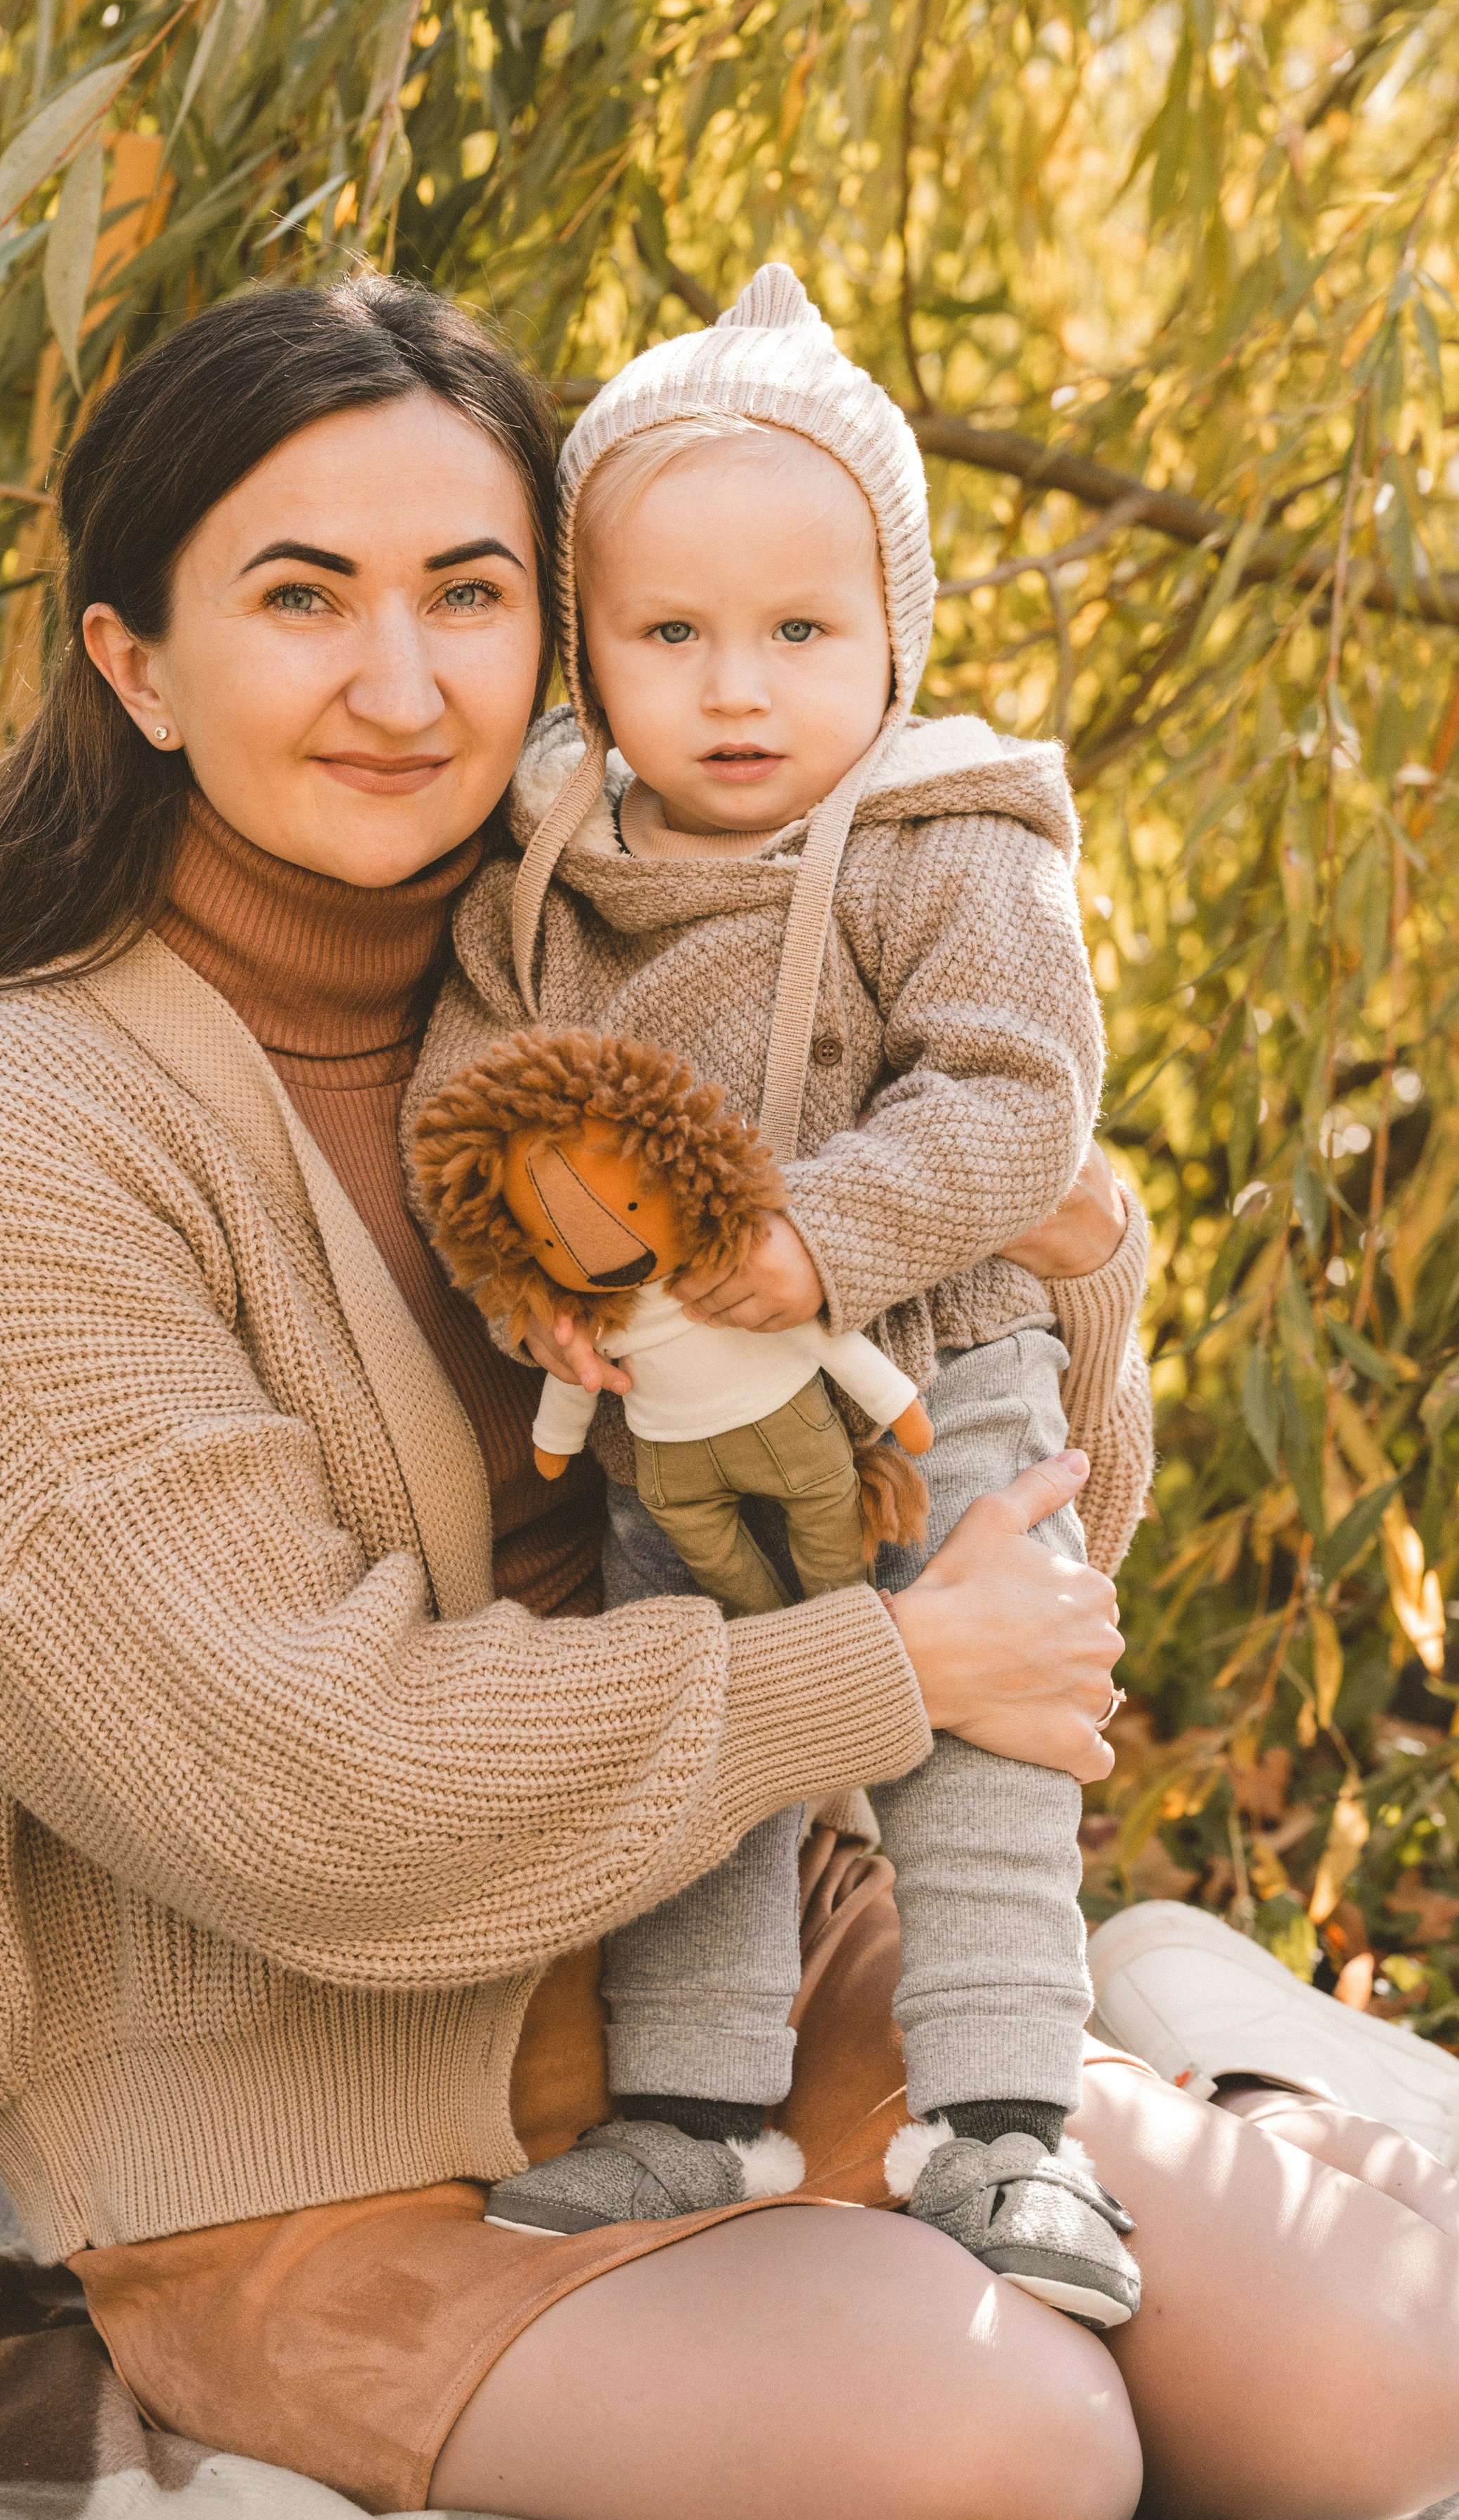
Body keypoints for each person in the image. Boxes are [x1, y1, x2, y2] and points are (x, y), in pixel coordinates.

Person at [0, 273, 1459, 2520]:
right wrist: (887, 1673)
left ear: (555, 637)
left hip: (754, 1958)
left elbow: (989, 1547)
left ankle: (1194, 2067)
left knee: (1384, 2395)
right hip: (317, 2127)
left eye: (471, 595)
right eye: (303, 597)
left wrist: (1068, 1272)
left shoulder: (655, 960)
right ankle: (1164, 2078)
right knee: (1000, 2448)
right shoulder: (20, 1122)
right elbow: (292, 1785)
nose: (405, 686)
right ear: (138, 663)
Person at [409, 263, 1148, 2327]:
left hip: (937, 1373)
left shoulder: (951, 838)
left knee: (984, 1762)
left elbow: (1018, 1099)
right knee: (711, 1724)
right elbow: (479, 1104)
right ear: (587, 646)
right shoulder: (548, 874)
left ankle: (1007, 2124)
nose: (738, 691)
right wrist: (530, 1297)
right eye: (670, 635)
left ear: (896, 631)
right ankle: (692, 2101)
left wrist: (817, 1233)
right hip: (686, 1407)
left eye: (802, 633)